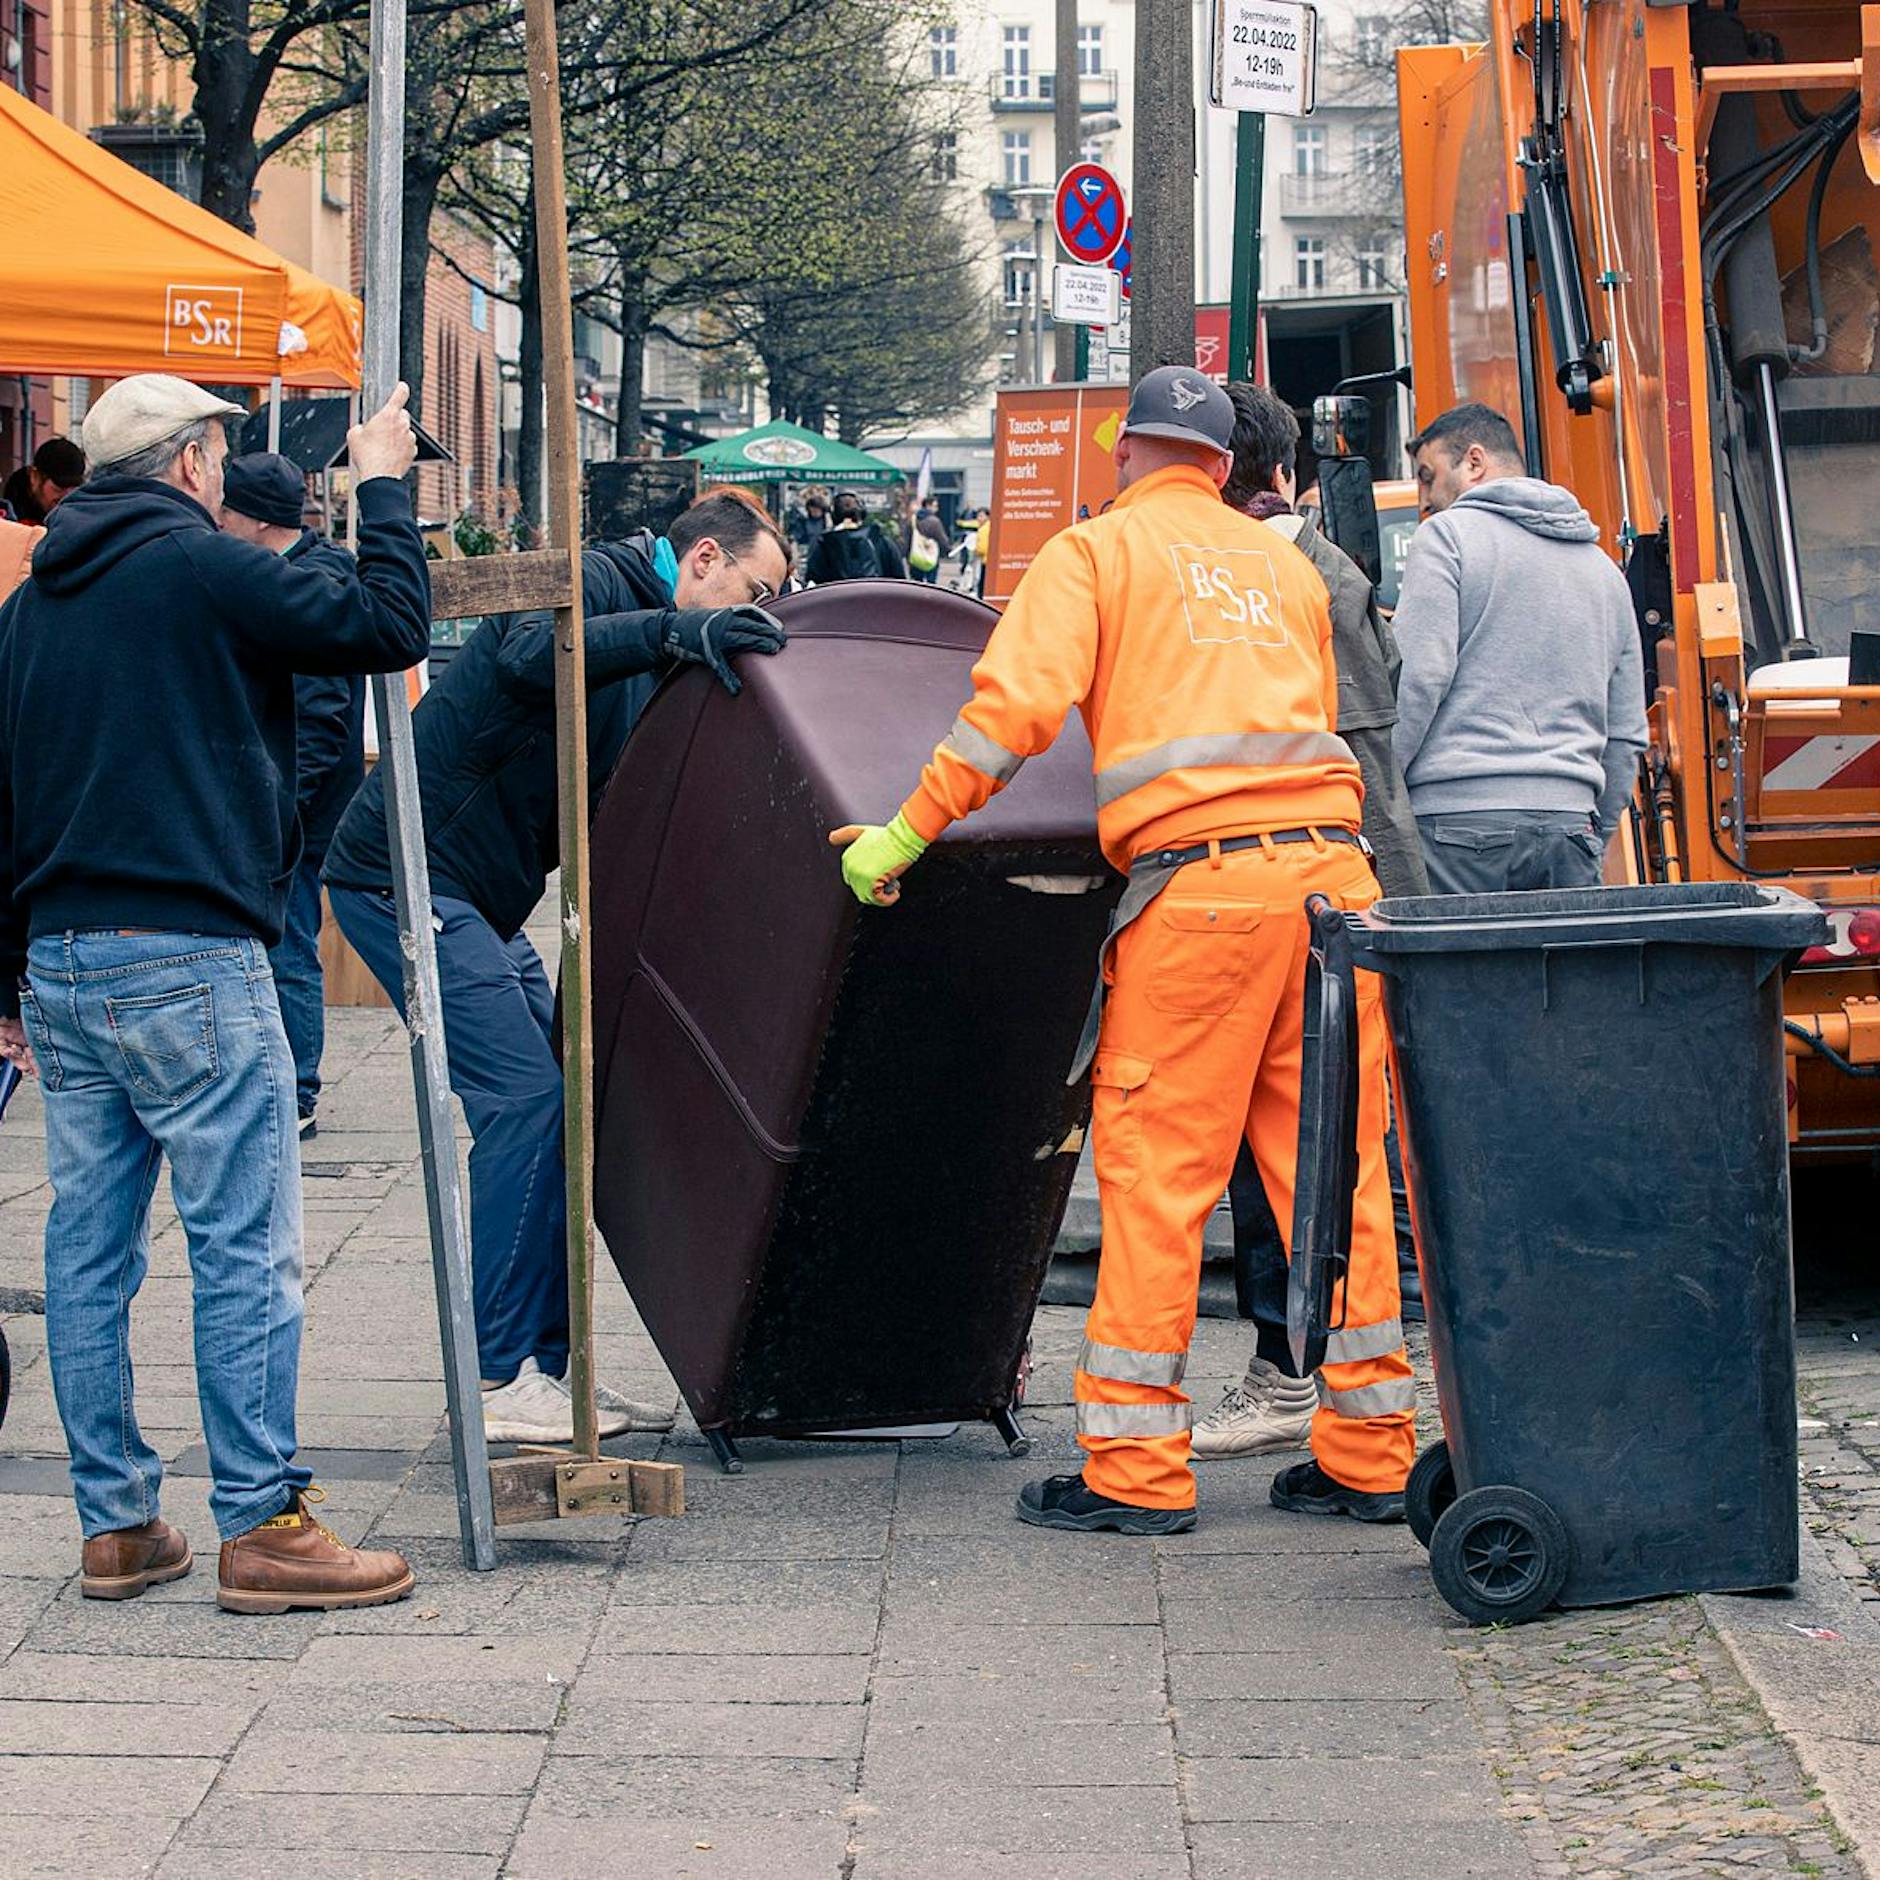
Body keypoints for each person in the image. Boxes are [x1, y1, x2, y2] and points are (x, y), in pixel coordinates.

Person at [829, 366, 1415, 1535]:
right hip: (1334, 891)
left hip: (1200, 898)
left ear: (1125, 451)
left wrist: (899, 834)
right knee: (1336, 1173)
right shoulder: (1284, 566)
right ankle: (1369, 1450)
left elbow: (1008, 717)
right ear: (1222, 463)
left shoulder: (1093, 555)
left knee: (1157, 1177)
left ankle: (1135, 1471)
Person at [0, 372, 429, 1612]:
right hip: (189, 948)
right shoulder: (201, 567)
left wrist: (8, 978)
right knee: (242, 1241)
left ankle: (117, 1525)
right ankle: (262, 1522)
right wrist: (385, 482)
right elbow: (389, 626)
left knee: (89, 1249)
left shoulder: (29, 609)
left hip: (64, 958)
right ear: (192, 465)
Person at [323, 488, 789, 1446]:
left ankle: (549, 1374)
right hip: (400, 876)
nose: (763, 612)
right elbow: (532, 651)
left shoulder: (661, 641)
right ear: (702, 559)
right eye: (758, 587)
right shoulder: (591, 577)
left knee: (569, 1108)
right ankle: (499, 1379)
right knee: (524, 1102)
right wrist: (669, 632)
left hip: (476, 903)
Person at [1194, 383, 1431, 1462]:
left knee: (1300, 1155)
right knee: (1314, 1151)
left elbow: (1363, 762)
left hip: (1307, 907)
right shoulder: (1312, 568)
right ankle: (1320, 1383)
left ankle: (1291, 1373)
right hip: (1322, 899)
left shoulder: (1286, 578)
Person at [1393, 403, 1648, 893]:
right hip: (1570, 827)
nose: (1425, 499)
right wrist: (1593, 827)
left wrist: (1386, 798)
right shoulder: (1604, 571)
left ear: (1473, 461)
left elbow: (1419, 680)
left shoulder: (1446, 538)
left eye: (1428, 476)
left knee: (1461, 972)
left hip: (1456, 827)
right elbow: (1627, 732)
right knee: (1562, 973)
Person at [220, 451, 364, 1140]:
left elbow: (316, 721)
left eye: (223, 512)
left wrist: (279, 810)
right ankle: (284, 1081)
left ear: (250, 519)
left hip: (294, 810)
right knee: (284, 942)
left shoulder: (309, 585)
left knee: (288, 944)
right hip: (290, 802)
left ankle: (297, 1090)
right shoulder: (303, 576)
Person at [806, 490, 905, 583]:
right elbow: (899, 580)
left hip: (837, 601)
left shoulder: (824, 545)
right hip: (877, 599)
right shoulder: (882, 541)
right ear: (862, 514)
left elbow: (812, 581)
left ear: (834, 516)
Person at [2, 437, 85, 526]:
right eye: (59, 486)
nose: (67, 497)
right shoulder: (7, 521)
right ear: (34, 477)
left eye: (74, 488)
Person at [908, 497, 948, 585]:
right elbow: (942, 539)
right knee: (931, 584)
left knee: (916, 584)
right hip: (931, 556)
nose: (937, 509)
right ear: (928, 506)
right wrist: (947, 550)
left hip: (915, 556)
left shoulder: (913, 519)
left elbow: (907, 538)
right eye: (935, 506)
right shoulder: (934, 521)